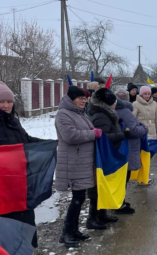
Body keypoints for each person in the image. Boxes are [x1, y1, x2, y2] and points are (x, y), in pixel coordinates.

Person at [54, 86, 101, 248]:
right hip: (72, 162)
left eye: (85, 98)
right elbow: (71, 135)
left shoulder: (79, 113)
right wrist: (92, 134)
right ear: (72, 98)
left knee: (80, 197)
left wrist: (92, 129)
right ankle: (65, 233)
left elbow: (85, 129)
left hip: (83, 161)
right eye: (80, 98)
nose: (84, 100)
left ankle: (73, 230)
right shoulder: (63, 114)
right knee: (78, 197)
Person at [0, 82, 45, 248]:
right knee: (7, 227)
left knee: (25, 222)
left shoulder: (14, 122)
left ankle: (24, 248)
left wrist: (49, 144)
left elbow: (26, 142)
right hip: (2, 188)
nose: (6, 105)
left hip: (19, 183)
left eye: (9, 101)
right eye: (1, 102)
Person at [88, 88, 125, 230]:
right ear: (108, 103)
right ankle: (92, 218)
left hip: (106, 155)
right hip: (102, 157)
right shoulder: (102, 116)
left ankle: (102, 214)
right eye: (113, 102)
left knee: (103, 186)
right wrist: (122, 135)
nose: (115, 104)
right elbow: (103, 138)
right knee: (98, 187)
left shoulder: (105, 113)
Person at [114, 89, 148, 214]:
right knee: (124, 177)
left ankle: (118, 202)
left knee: (119, 177)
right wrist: (144, 129)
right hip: (127, 148)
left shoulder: (111, 111)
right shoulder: (126, 112)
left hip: (117, 148)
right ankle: (120, 203)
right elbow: (133, 130)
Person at [132, 86, 157, 185]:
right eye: (145, 94)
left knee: (148, 158)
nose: (147, 96)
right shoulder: (135, 104)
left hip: (152, 134)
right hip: (142, 135)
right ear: (141, 94)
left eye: (148, 94)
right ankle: (140, 178)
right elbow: (132, 119)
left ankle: (144, 177)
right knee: (142, 158)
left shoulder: (154, 104)